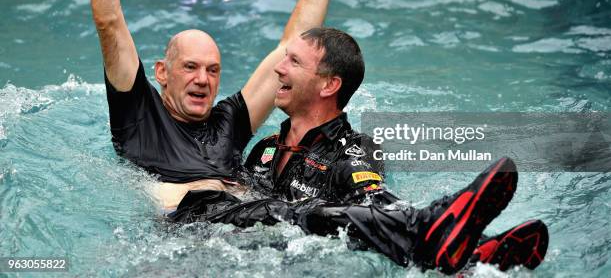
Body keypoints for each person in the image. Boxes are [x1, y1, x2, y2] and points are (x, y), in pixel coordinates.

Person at [169, 28, 549, 274]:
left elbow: (376, 199)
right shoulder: (265, 150)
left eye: (294, 62)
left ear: (328, 85)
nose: (279, 70)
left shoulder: (352, 150)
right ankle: (473, 252)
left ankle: (436, 229)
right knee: (203, 204)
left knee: (291, 213)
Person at [89, 0, 345, 210]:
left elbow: (292, 46)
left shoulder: (230, 122)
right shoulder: (138, 114)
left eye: (213, 70)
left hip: (255, 223)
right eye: (191, 67)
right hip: (192, 231)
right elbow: (108, 20)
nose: (202, 79)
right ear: (162, 72)